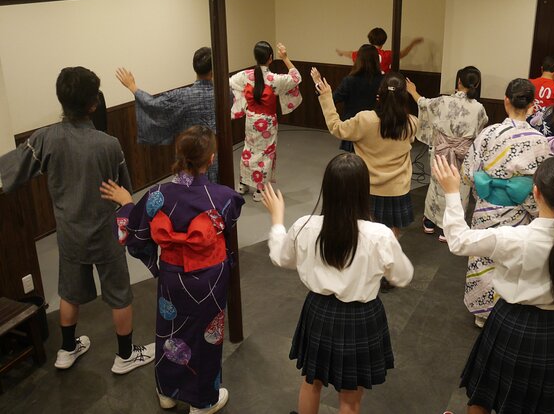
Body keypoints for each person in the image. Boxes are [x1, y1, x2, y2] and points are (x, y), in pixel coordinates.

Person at [0, 67, 155, 373]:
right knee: (119, 293)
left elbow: (9, 172)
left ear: (61, 100)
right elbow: (125, 191)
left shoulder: (44, 139)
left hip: (69, 232)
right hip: (106, 233)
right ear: (93, 105)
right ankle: (125, 357)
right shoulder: (108, 145)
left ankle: (67, 350)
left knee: (68, 290)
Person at [432, 155, 554, 414]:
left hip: (510, 322)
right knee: (537, 404)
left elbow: (458, 241)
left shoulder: (515, 238)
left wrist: (453, 192)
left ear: (535, 192)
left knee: (484, 394)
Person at [100, 125, 244, 414]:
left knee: (170, 332)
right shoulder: (225, 197)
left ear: (180, 156)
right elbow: (227, 226)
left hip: (172, 276)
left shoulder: (158, 195)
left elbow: (136, 233)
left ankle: (168, 391)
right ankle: (203, 402)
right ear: (211, 158)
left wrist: (128, 203)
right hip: (209, 279)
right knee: (206, 336)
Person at [261, 153, 413, 414]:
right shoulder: (380, 235)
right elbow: (403, 276)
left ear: (327, 188)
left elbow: (281, 258)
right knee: (350, 398)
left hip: (318, 312)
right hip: (361, 318)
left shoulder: (304, 226)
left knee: (311, 383)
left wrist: (277, 220)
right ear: (364, 190)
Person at [460, 79, 551, 327]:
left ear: (506, 100)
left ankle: (482, 313)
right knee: (512, 259)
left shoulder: (488, 134)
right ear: (533, 105)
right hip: (520, 209)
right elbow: (543, 183)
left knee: (483, 256)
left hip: (487, 207)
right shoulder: (539, 141)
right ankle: (508, 310)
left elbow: (468, 173)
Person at [312, 69, 418, 238]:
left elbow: (336, 127)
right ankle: (389, 258)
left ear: (379, 96)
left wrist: (326, 96)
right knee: (392, 232)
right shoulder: (412, 123)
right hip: (397, 188)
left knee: (364, 232)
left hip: (366, 186)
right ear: (404, 98)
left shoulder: (365, 119)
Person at [407, 66, 488, 242]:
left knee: (437, 183)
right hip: (463, 152)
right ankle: (448, 228)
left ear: (459, 82)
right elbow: (479, 129)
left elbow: (423, 104)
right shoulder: (479, 108)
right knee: (461, 187)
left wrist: (413, 91)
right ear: (477, 84)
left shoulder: (443, 101)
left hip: (442, 149)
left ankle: (430, 222)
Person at [116, 47, 219, 183]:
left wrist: (132, 87)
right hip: (214, 155)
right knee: (216, 192)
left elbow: (154, 105)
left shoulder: (182, 96)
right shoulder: (223, 92)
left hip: (189, 156)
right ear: (213, 71)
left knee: (189, 195)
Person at [229, 41, 302, 202]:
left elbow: (231, 83)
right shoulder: (274, 79)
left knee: (248, 149)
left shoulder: (245, 75)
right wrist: (285, 57)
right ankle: (260, 190)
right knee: (265, 155)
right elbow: (296, 78)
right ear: (270, 58)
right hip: (267, 122)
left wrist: (242, 103)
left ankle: (242, 184)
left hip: (251, 119)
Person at [332, 43, 384, 152]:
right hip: (375, 124)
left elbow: (334, 98)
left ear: (358, 59)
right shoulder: (383, 80)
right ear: (376, 60)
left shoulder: (350, 80)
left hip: (353, 124)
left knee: (354, 161)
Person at [336, 27, 424, 74]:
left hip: (365, 87)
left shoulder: (363, 53)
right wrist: (413, 43)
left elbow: (350, 54)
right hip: (381, 87)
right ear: (384, 41)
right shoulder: (387, 55)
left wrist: (341, 52)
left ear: (370, 39)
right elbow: (402, 53)